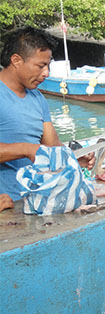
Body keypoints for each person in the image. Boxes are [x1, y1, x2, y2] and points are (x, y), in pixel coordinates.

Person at [0, 27, 94, 202]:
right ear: (16, 60)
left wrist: (73, 158)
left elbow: (52, 145)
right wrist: (27, 149)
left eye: (48, 65)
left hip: (35, 199)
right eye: (41, 66)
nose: (46, 73)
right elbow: (33, 149)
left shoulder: (37, 97)